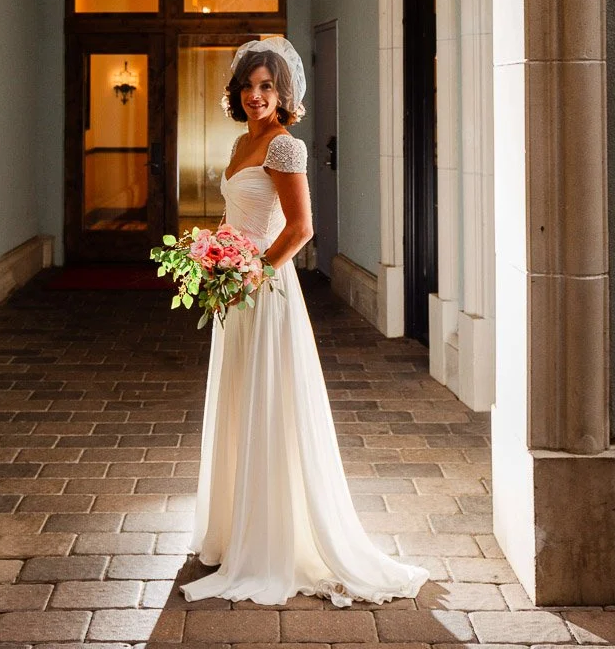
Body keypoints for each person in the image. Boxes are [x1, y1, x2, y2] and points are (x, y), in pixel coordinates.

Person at [181, 36, 430, 608]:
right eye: (247, 85)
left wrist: (253, 272)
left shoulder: (284, 148)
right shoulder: (243, 141)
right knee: (240, 398)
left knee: (269, 402)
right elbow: (235, 213)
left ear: (283, 93)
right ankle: (233, 526)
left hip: (266, 293)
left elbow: (300, 229)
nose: (255, 95)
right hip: (236, 293)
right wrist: (213, 253)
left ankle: (271, 540)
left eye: (266, 86)